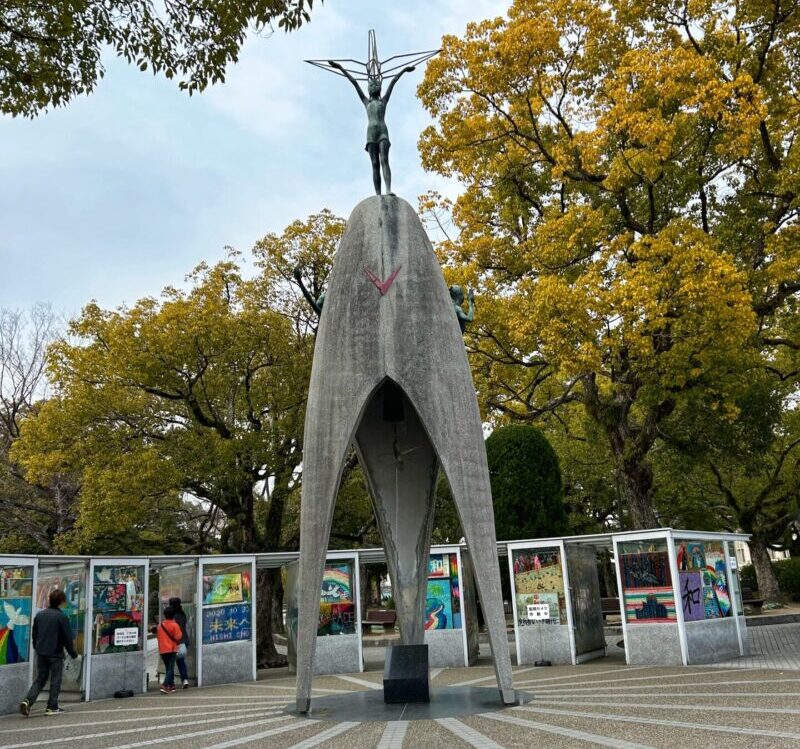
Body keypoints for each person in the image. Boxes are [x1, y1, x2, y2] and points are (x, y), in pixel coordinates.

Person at [327, 60, 415, 196]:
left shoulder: (383, 101)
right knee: (375, 164)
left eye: (377, 85)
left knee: (384, 160)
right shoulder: (366, 101)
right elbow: (354, 83)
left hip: (382, 132)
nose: (374, 86)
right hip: (371, 134)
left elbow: (393, 81)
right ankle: (378, 194)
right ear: (368, 89)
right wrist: (340, 68)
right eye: (371, 85)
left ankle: (388, 189)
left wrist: (404, 69)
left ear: (379, 88)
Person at [19, 589, 78, 716]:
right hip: (55, 653)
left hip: (41, 652)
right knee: (55, 679)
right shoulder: (62, 617)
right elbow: (67, 638)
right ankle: (52, 706)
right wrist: (73, 653)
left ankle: (27, 701)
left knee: (40, 679)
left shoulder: (40, 615)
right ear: (62, 602)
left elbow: (35, 634)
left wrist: (37, 647)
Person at [156, 606, 182, 694]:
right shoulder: (175, 625)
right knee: (170, 668)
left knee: (168, 668)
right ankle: (164, 685)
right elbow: (179, 637)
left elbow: (158, 637)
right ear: (173, 615)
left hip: (163, 650)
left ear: (165, 615)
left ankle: (171, 686)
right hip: (171, 649)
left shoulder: (160, 625)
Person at [168, 597, 190, 689]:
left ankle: (170, 683)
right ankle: (185, 680)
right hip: (184, 640)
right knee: (181, 662)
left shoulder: (173, 617)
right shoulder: (182, 614)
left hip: (176, 641)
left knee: (170, 663)